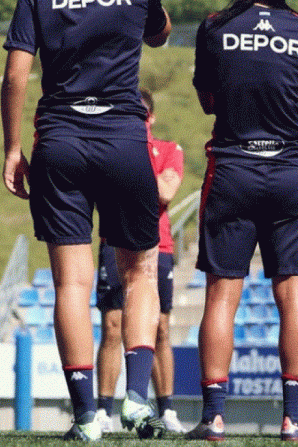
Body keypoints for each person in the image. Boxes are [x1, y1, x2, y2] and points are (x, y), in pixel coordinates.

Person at [2, 0, 172, 441]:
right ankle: (137, 400)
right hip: (124, 139)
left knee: (71, 285)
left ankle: (85, 418)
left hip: (60, 142)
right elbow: (161, 36)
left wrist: (12, 147)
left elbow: (16, 75)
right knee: (140, 269)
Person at [189, 0, 298, 441]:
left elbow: (207, 102)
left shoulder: (214, 27)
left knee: (222, 298)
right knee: (294, 296)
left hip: (231, 170)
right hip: (290, 173)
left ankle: (213, 418)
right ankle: (295, 420)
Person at [94, 88, 184, 434]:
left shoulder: (170, 149)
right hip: (113, 242)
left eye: (144, 114)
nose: (140, 120)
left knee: (160, 328)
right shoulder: (115, 147)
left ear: (152, 117)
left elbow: (166, 191)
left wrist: (129, 171)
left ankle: (167, 408)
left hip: (158, 248)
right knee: (112, 328)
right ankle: (104, 409)